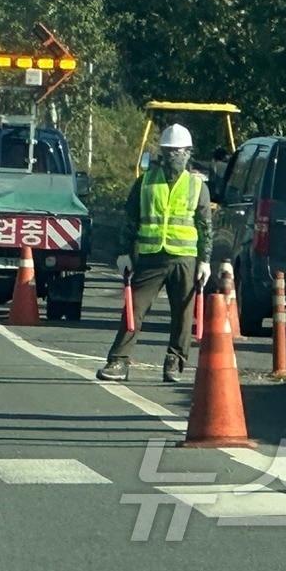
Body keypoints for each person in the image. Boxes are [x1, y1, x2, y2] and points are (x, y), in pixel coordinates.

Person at [96, 124, 212, 384]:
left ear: (188, 153)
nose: (173, 156)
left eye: (178, 152)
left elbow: (205, 225)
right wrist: (124, 253)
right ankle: (118, 361)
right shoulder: (146, 181)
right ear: (161, 152)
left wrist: (205, 260)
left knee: (183, 314)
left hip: (185, 259)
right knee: (133, 308)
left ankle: (175, 363)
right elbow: (130, 219)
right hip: (150, 257)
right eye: (168, 151)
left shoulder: (196, 186)